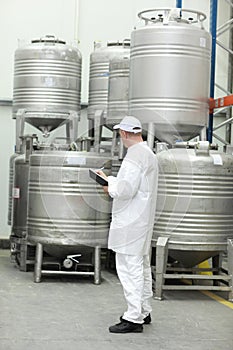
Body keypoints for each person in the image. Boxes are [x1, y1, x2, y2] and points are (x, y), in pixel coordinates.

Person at [97, 115, 158, 334]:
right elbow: (135, 186)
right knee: (140, 265)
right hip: (141, 221)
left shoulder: (134, 155)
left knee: (129, 268)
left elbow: (125, 190)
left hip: (130, 223)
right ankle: (143, 310)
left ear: (123, 133)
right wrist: (113, 180)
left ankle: (133, 318)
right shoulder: (148, 153)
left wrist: (109, 187)